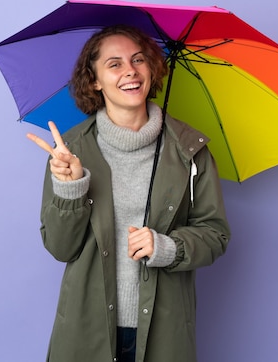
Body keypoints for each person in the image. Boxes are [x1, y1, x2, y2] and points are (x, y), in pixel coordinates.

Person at [27, 25, 230, 362]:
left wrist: (166, 246)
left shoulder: (190, 151)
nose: (130, 71)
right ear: (94, 81)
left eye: (138, 60)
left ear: (152, 69)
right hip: (86, 330)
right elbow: (61, 248)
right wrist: (70, 187)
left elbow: (215, 234)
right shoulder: (71, 151)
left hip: (164, 331)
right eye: (115, 64)